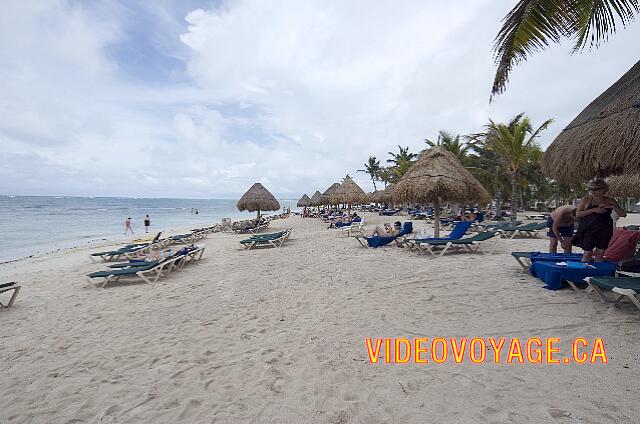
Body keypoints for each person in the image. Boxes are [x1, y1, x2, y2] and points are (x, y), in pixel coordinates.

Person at [573, 179, 626, 262]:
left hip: (605, 229)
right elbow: (578, 214)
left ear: (603, 189)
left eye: (596, 189)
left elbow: (623, 214)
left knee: (600, 254)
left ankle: (596, 273)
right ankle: (584, 273)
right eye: (591, 189)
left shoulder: (610, 200)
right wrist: (594, 210)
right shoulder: (586, 200)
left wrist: (612, 206)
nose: (593, 191)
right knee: (587, 253)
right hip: (589, 228)